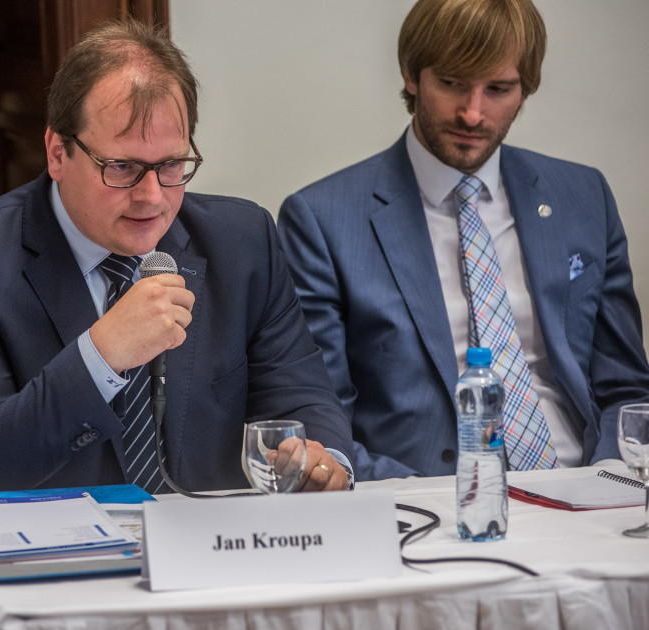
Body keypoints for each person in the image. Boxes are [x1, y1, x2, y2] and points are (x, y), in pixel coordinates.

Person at [0, 19, 354, 494]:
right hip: (59, 539)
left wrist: (321, 462)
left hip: (211, 536)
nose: (152, 197)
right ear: (57, 152)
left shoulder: (243, 242)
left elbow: (303, 401)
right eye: (122, 167)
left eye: (172, 165)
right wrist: (101, 355)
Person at [277, 0, 649, 481]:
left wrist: (609, 481)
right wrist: (432, 503)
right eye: (452, 83)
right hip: (423, 497)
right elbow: (325, 423)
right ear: (412, 75)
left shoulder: (584, 196)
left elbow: (627, 389)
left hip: (584, 484)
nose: (473, 114)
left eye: (498, 89)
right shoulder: (322, 219)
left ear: (525, 89)